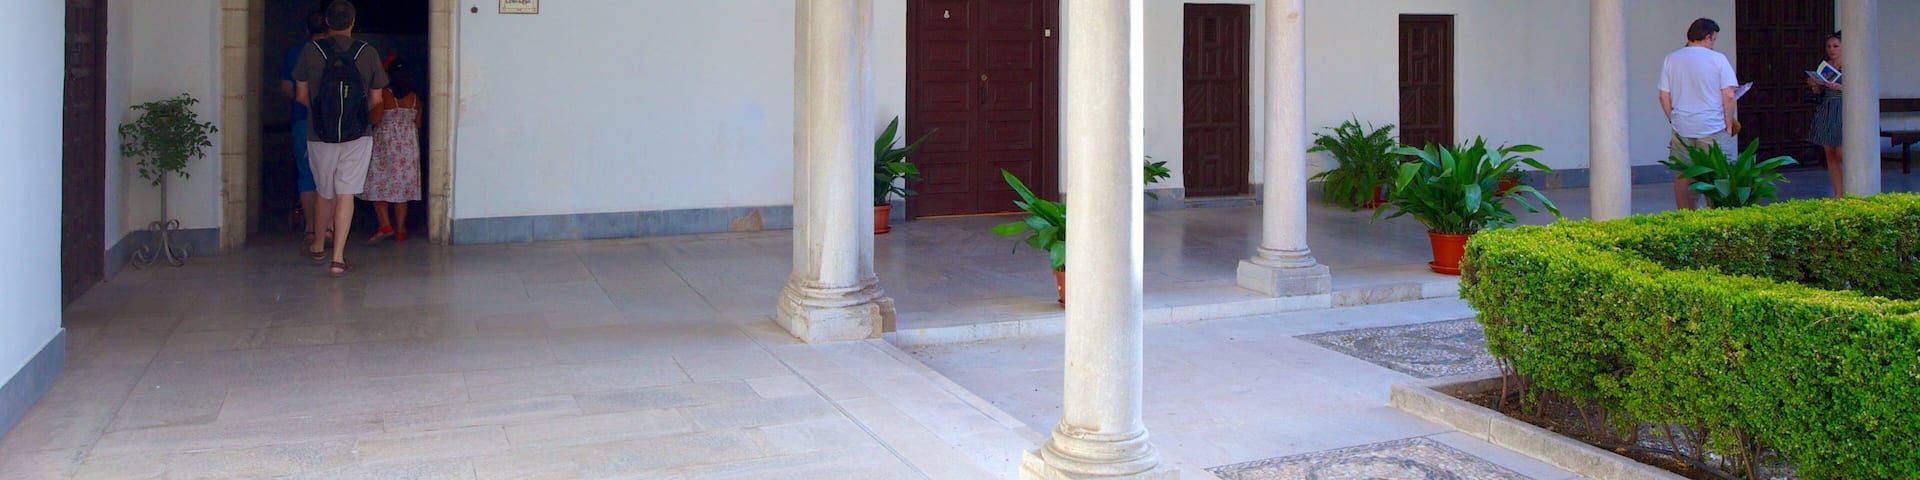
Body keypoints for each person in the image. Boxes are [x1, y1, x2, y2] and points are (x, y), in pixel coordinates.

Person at [294, 0, 388, 277]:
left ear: (326, 22)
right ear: (353, 21)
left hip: (319, 135)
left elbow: (301, 96)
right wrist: (356, 118)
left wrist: (321, 116)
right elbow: (377, 100)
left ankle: (317, 246)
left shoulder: (310, 51)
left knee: (325, 193)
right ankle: (337, 259)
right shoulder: (367, 52)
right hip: (358, 135)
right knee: (346, 194)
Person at [1657, 18, 1741, 210]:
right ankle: (1713, 216)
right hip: (1711, 125)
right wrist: (1728, 123)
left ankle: (1685, 216)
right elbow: (1729, 95)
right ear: (1708, 37)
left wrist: (1673, 119)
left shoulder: (1672, 58)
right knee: (1714, 174)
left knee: (1683, 174)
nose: (1713, 43)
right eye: (1714, 39)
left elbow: (1663, 96)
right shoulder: (1718, 59)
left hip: (1682, 126)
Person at [280, 11, 330, 251]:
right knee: (330, 174)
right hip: (332, 121)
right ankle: (328, 228)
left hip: (302, 120)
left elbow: (286, 87)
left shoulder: (295, 53)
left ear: (307, 30)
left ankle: (311, 230)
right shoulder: (336, 51)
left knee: (306, 174)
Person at [364, 57, 422, 244]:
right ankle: (401, 230)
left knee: (378, 184)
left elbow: (375, 119)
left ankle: (385, 225)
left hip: (386, 147)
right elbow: (418, 123)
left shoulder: (385, 95)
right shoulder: (415, 99)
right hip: (408, 149)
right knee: (401, 189)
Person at [1806, 31, 1845, 198]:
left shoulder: (1850, 65)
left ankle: (1851, 190)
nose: (1831, 50)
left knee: (1842, 151)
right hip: (1827, 106)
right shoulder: (1826, 66)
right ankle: (1838, 193)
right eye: (1829, 46)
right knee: (1829, 151)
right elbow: (1819, 91)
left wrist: (1840, 87)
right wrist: (1815, 85)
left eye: (1835, 46)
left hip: (1842, 107)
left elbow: (1859, 88)